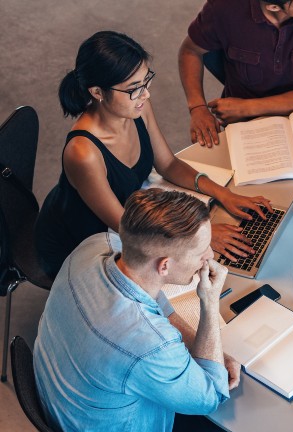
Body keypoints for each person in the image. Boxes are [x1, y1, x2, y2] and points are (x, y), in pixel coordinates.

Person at [35, 31, 269, 279]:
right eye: (134, 88)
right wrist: (202, 234)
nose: (146, 94)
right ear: (97, 92)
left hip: (132, 214)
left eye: (146, 81)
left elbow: (168, 164)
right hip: (82, 242)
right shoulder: (83, 154)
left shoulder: (138, 108)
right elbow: (127, 226)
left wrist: (223, 193)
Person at [34, 189, 237, 432]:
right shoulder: (150, 344)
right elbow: (212, 394)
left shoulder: (96, 245)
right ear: (164, 266)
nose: (210, 256)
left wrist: (203, 349)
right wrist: (209, 302)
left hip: (66, 413)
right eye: (201, 252)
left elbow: (157, 304)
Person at [178, 0, 293, 147]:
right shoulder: (224, 8)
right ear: (273, 7)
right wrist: (197, 108)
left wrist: (246, 108)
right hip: (246, 128)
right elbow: (190, 51)